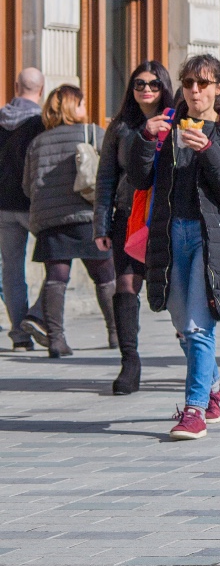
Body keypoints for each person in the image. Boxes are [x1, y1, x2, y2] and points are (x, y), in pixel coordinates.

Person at [131, 55, 220, 440]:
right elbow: (139, 177)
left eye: (203, 84)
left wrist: (208, 150)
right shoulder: (168, 127)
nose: (195, 91)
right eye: (188, 83)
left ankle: (195, 410)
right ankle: (215, 387)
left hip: (211, 238)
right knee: (182, 326)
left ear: (218, 87)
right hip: (170, 234)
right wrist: (145, 140)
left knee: (199, 325)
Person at [94, 61, 173, 393]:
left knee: (177, 292)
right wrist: (100, 225)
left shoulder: (179, 119)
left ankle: (200, 363)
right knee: (125, 287)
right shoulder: (121, 126)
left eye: (154, 84)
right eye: (139, 84)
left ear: (164, 86)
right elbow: (106, 178)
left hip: (167, 216)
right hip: (128, 217)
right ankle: (130, 362)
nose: (146, 90)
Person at [25, 85, 108, 358]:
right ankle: (117, 333)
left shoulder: (38, 142)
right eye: (82, 102)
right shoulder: (93, 133)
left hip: (51, 220)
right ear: (74, 106)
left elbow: (28, 184)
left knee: (56, 279)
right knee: (105, 275)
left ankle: (56, 340)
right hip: (87, 217)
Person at [0, 66, 45, 348]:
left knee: (12, 269)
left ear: (16, 87)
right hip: (34, 206)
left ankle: (19, 334)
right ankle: (37, 314)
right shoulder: (41, 124)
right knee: (60, 258)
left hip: (2, 206)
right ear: (40, 90)